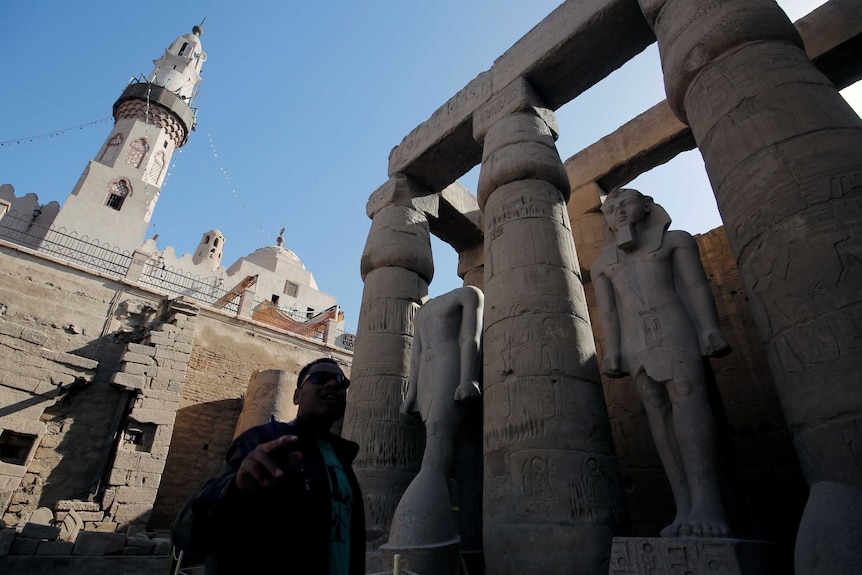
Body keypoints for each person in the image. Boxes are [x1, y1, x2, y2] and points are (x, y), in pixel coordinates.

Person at [592, 187, 731, 538]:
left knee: (687, 399)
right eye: (611, 210)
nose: (619, 213)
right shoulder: (603, 263)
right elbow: (609, 311)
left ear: (647, 206)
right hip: (636, 340)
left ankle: (707, 502)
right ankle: (684, 504)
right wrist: (614, 349)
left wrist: (709, 328)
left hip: (675, 326)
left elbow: (695, 287)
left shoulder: (675, 241)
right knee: (657, 411)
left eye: (626, 204)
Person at [171, 357, 365, 574]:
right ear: (296, 396)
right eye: (320, 378)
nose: (333, 384)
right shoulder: (261, 440)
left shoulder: (342, 458)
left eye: (341, 380)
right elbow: (186, 532)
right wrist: (236, 489)